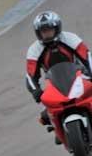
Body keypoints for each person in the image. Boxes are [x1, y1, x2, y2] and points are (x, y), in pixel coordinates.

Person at [25, 11, 92, 143]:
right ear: (38, 33)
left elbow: (88, 58)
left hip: (80, 75)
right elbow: (30, 75)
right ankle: (58, 127)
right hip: (55, 82)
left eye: (49, 30)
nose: (47, 34)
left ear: (57, 28)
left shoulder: (71, 38)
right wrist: (36, 90)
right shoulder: (34, 49)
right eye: (43, 31)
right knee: (45, 116)